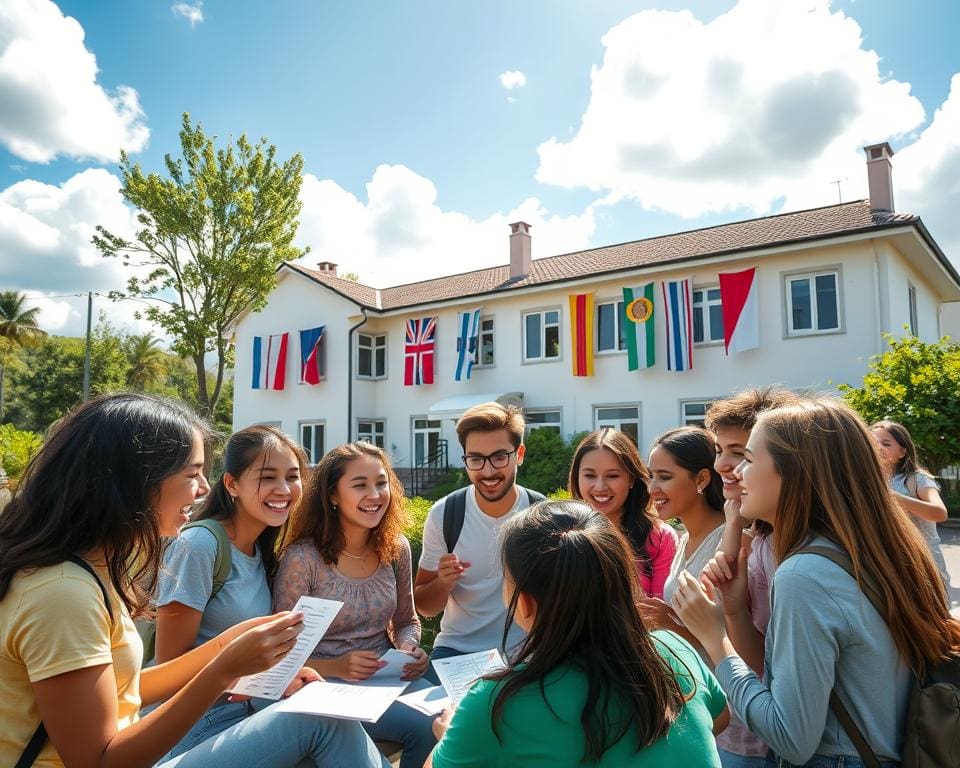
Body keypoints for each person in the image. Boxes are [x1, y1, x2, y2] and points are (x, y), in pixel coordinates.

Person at [0, 393, 386, 767]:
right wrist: (223, 670)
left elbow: (126, 688)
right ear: (137, 480)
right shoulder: (63, 593)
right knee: (320, 720)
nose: (204, 488)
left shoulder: (86, 570)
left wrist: (231, 647)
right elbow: (97, 761)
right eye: (192, 474)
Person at [673, 398, 960, 767]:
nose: (737, 472)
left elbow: (791, 739)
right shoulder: (868, 550)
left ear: (794, 472)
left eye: (749, 458)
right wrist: (734, 611)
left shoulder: (805, 574)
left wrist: (716, 639)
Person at [426, 500, 728, 767]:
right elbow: (718, 717)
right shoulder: (674, 649)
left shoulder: (496, 704)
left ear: (525, 602)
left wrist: (449, 733)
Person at [154, 425, 384, 766]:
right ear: (232, 484)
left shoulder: (263, 550)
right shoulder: (199, 546)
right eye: (267, 477)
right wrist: (247, 678)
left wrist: (286, 674)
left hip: (247, 709)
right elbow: (167, 669)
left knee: (336, 719)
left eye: (292, 477)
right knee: (326, 720)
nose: (283, 489)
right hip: (193, 724)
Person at [274, 441, 435, 768]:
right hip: (324, 685)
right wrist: (337, 667)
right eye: (360, 485)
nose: (375, 495)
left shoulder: (396, 547)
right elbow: (279, 651)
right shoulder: (303, 559)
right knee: (425, 728)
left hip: (387, 678)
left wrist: (408, 651)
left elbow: (408, 619)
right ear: (333, 495)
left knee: (451, 715)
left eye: (381, 483)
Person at [702, 387, 800, 768]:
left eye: (741, 453)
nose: (726, 465)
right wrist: (734, 518)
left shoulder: (790, 554)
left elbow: (764, 666)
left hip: (769, 735)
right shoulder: (758, 533)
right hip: (745, 718)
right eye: (719, 450)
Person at [414, 402, 542, 671]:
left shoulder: (541, 515)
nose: (487, 471)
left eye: (499, 457)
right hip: (457, 651)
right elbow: (424, 607)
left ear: (519, 454)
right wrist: (442, 583)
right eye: (476, 459)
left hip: (528, 655)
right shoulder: (445, 514)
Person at [569, 428, 678, 598]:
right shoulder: (562, 533)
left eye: (612, 476)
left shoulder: (660, 537)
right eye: (589, 475)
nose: (600, 487)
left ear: (632, 479)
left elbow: (660, 612)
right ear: (577, 478)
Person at [641, 426, 725, 634]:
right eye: (651, 476)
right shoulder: (685, 538)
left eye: (665, 477)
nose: (652, 488)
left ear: (701, 479)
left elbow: (731, 642)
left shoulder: (729, 540)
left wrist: (669, 625)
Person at [870, 419, 951, 588]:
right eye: (873, 443)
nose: (878, 448)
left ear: (902, 451)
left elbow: (940, 513)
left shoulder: (916, 479)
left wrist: (891, 496)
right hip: (889, 565)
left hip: (923, 564)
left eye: (886, 444)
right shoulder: (871, 482)